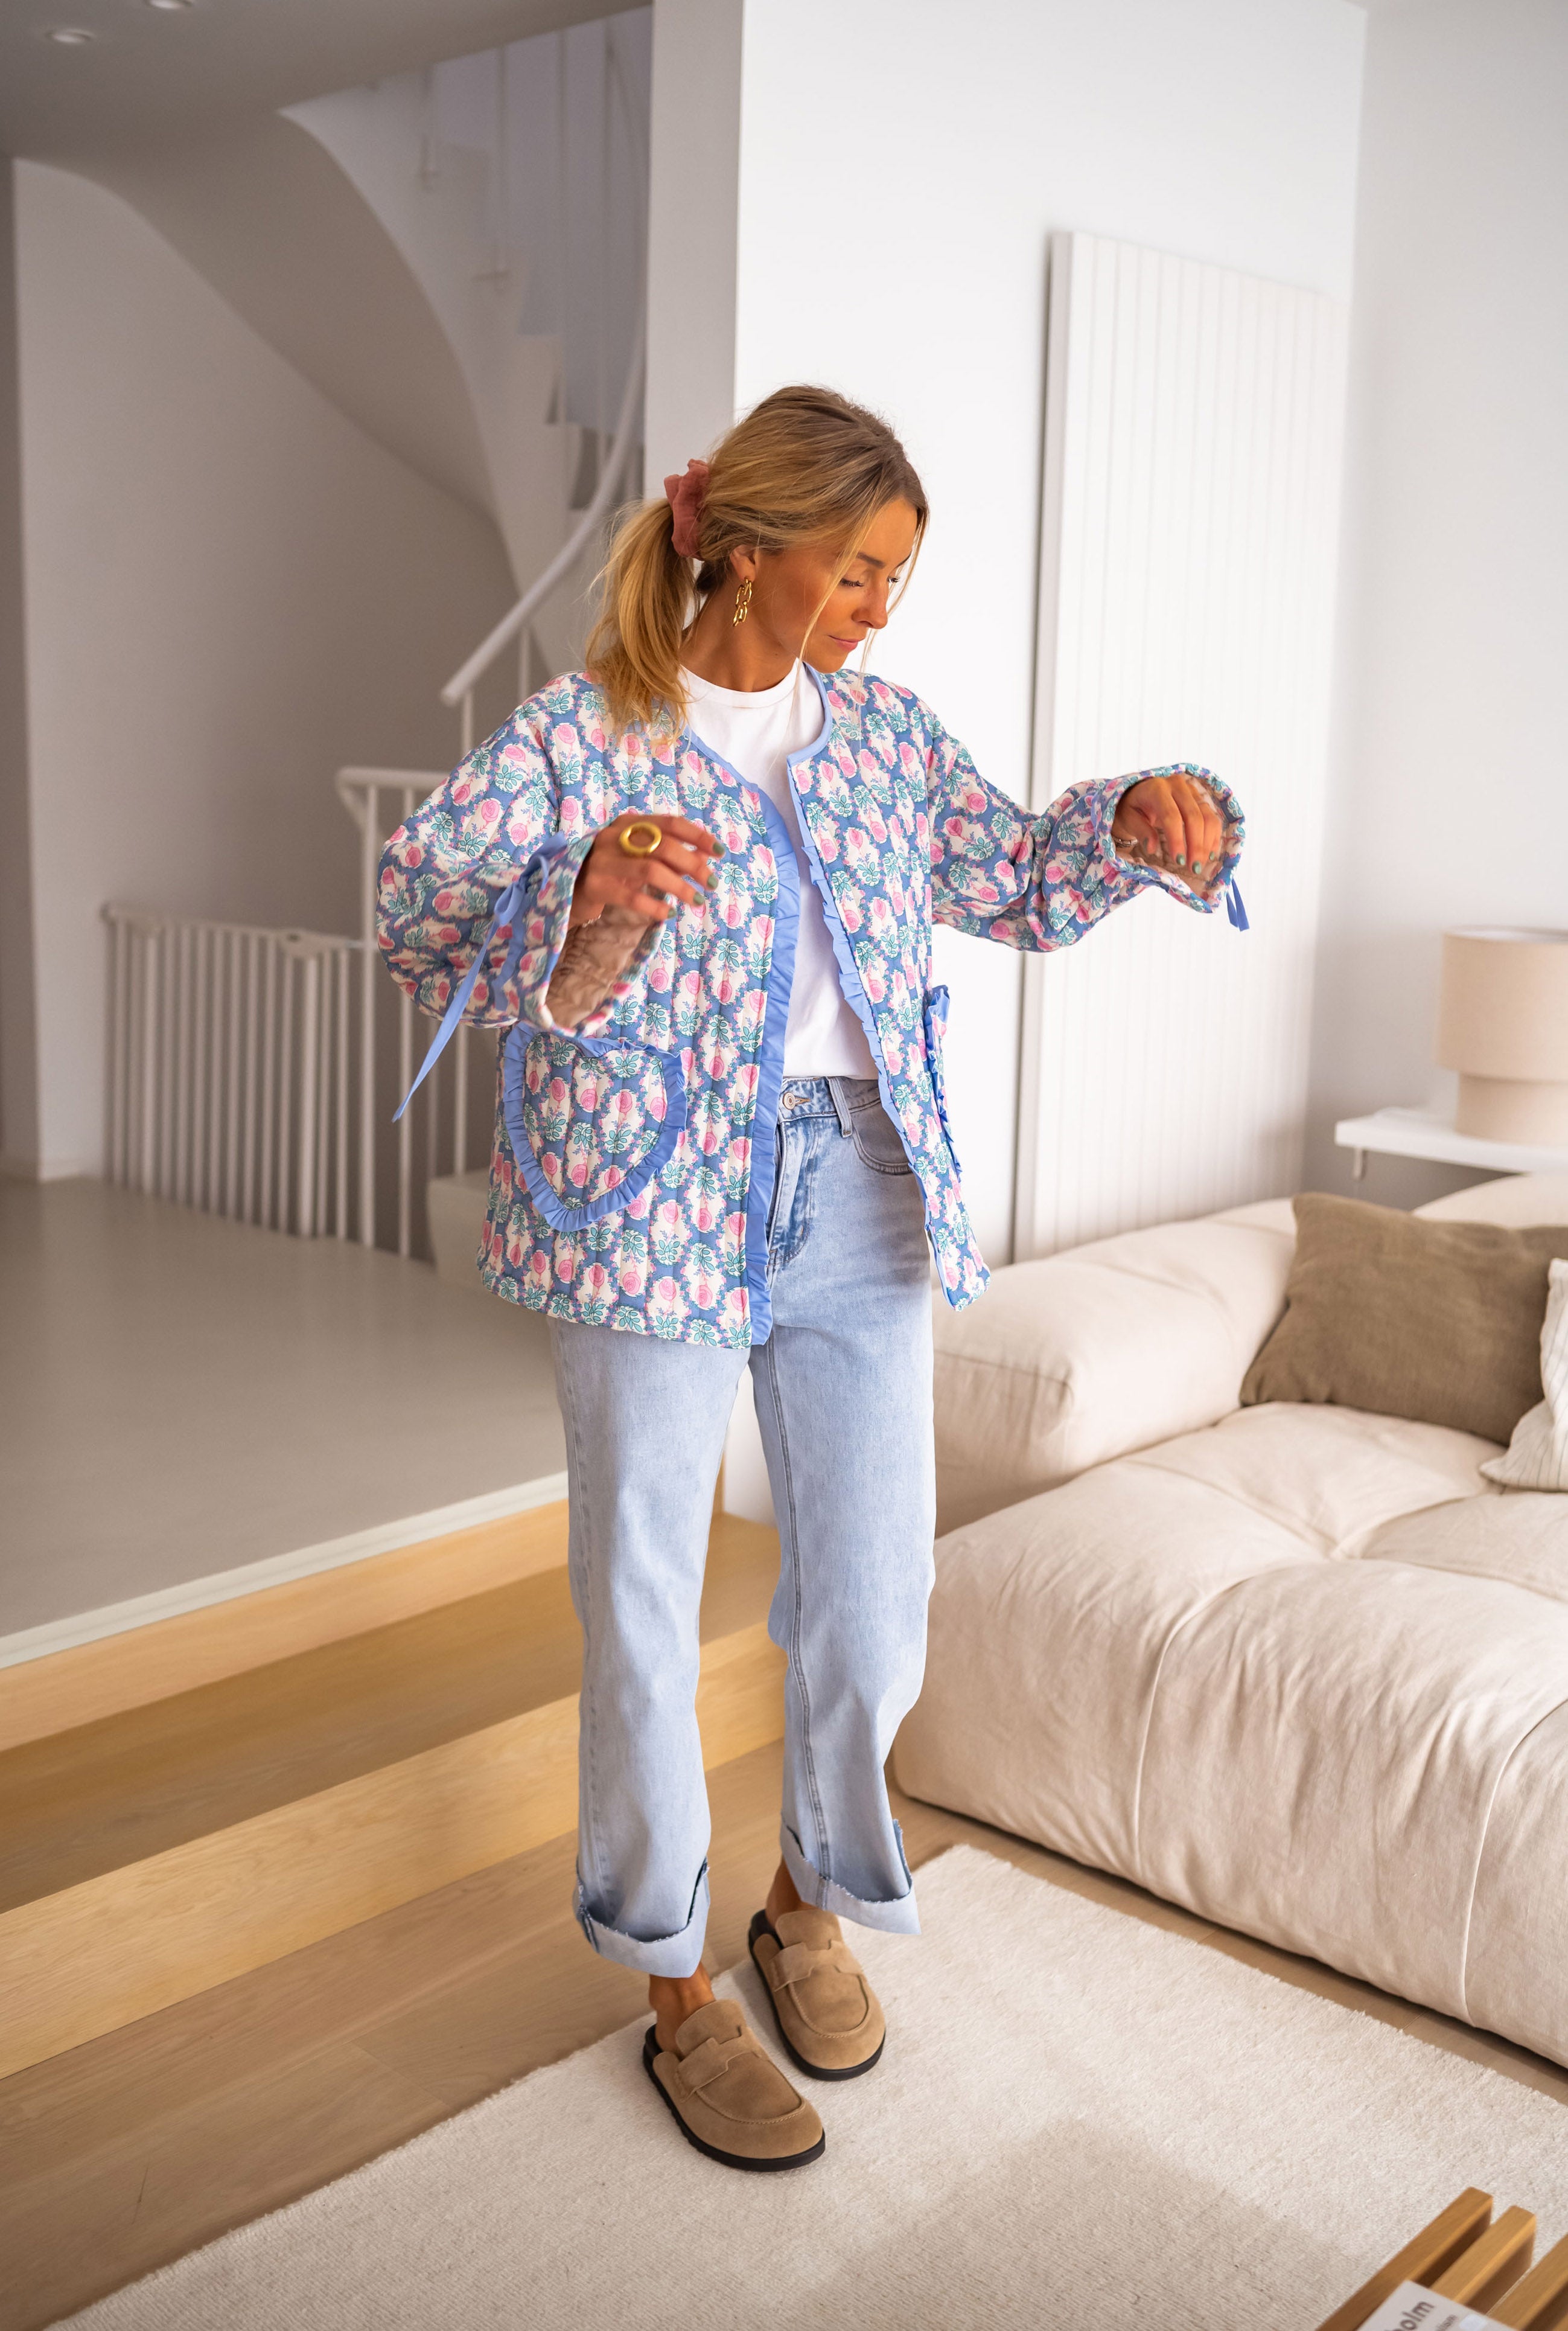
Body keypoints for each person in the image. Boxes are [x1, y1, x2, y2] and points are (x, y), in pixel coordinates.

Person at [378, 384, 1242, 2172]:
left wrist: (1142, 823)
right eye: (857, 570)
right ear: (749, 547)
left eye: (895, 580)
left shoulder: (882, 740)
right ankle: (674, 1986)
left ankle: (804, 1899)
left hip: (857, 1185)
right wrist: (586, 897)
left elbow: (1007, 872)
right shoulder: (581, 734)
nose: (875, 607)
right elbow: (416, 916)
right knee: (641, 1601)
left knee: (870, 1592)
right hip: (644, 1191)